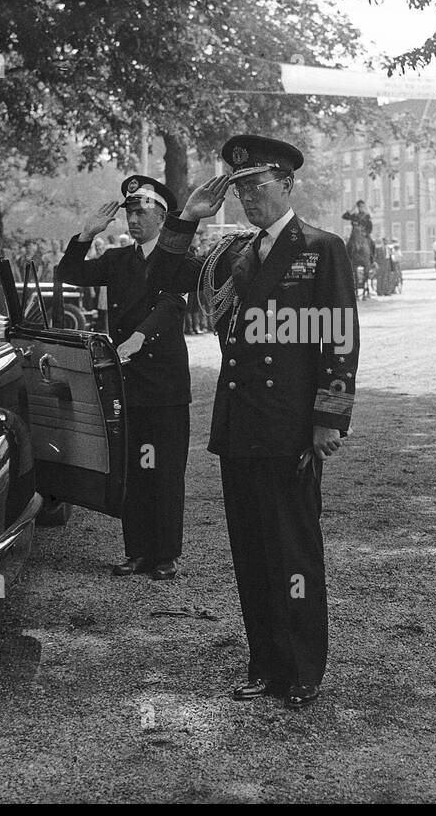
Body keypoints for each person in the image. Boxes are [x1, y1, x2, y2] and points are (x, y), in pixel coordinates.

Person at [146, 134, 359, 709]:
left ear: (287, 185)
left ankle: (303, 667)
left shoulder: (321, 247)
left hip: (290, 425)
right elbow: (160, 283)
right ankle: (264, 661)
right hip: (240, 425)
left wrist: (328, 419)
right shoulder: (232, 252)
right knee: (251, 549)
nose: (248, 198)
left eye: (259, 186)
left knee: (293, 549)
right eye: (240, 188)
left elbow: (339, 339)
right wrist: (186, 219)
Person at [56, 175, 191, 580]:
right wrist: (86, 233)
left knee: (164, 469)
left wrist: (137, 337)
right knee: (133, 468)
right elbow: (68, 273)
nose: (133, 220)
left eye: (141, 212)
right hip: (126, 379)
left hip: (163, 381)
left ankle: (164, 553)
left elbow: (171, 306)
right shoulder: (117, 259)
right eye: (129, 213)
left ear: (162, 218)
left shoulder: (176, 259)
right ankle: (136, 551)